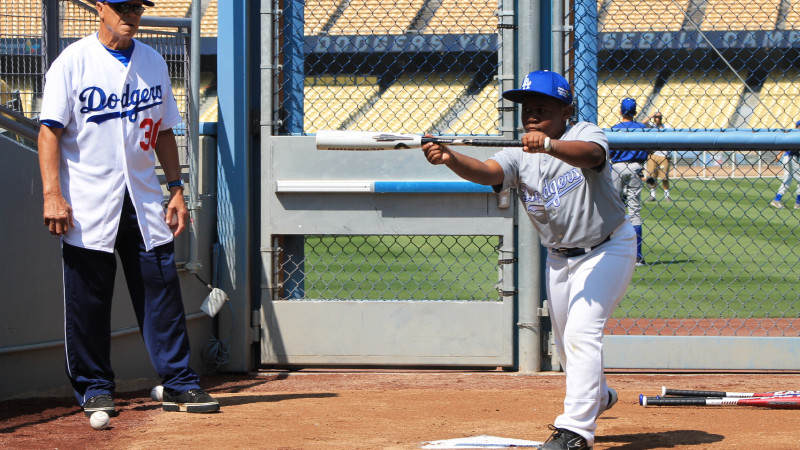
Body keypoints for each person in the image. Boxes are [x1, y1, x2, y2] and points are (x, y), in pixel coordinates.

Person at [421, 70, 635, 450]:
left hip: (607, 247)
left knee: (583, 332)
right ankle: (598, 397)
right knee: (568, 346)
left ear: (566, 109)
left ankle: (575, 432)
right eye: (526, 109)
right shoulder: (518, 152)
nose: (531, 115)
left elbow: (593, 156)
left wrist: (550, 145)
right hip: (559, 257)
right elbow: (489, 172)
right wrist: (450, 158)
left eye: (541, 107)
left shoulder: (583, 132)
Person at [37, 0, 219, 417]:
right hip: (87, 201)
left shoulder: (152, 61)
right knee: (88, 301)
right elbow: (49, 132)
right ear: (100, 8)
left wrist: (176, 189)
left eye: (137, 6)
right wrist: (52, 195)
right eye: (121, 6)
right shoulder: (73, 61)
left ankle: (178, 382)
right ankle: (94, 388)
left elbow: (165, 131)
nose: (131, 14)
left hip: (142, 197)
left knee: (161, 293)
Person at [609, 98, 649, 266]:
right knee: (634, 211)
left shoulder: (614, 129)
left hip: (617, 168)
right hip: (635, 167)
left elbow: (610, 153)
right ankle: (637, 256)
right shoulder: (641, 128)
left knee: (613, 209)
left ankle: (612, 253)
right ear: (634, 112)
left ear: (620, 111)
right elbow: (648, 149)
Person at [641, 112, 673, 202]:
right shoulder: (651, 126)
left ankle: (667, 196)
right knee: (652, 177)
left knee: (664, 177)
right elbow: (642, 123)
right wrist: (650, 115)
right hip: (653, 154)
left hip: (663, 155)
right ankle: (653, 195)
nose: (657, 119)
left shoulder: (666, 127)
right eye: (656, 117)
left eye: (659, 117)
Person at [769, 120, 800, 210]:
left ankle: (777, 199)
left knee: (787, 179)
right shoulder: (796, 134)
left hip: (790, 158)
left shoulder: (793, 134)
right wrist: (780, 154)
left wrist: (780, 154)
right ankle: (798, 203)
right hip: (791, 157)